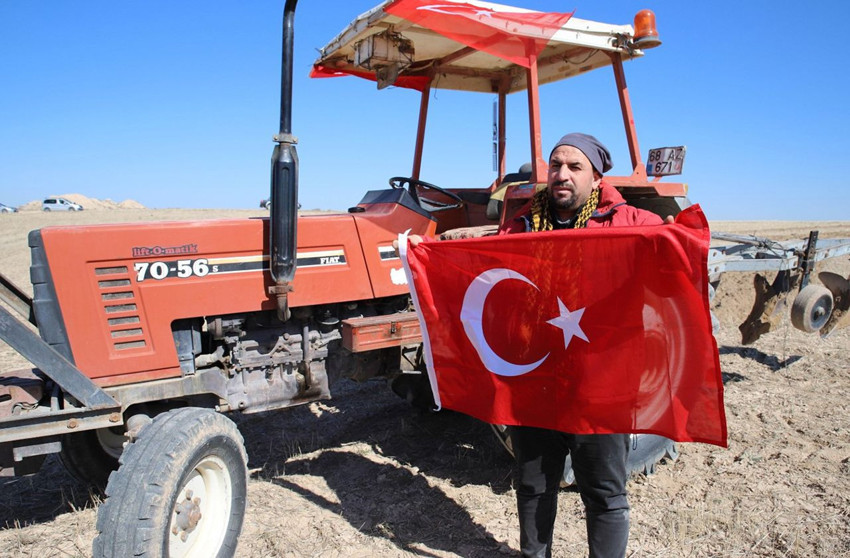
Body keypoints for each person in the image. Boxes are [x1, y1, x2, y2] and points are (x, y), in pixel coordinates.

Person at [499, 133, 664, 558]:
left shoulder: (625, 221)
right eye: (556, 165)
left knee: (603, 491)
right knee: (534, 485)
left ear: (596, 176)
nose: (562, 175)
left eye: (575, 167)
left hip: (599, 381)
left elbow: (671, 247)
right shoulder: (519, 223)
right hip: (536, 377)